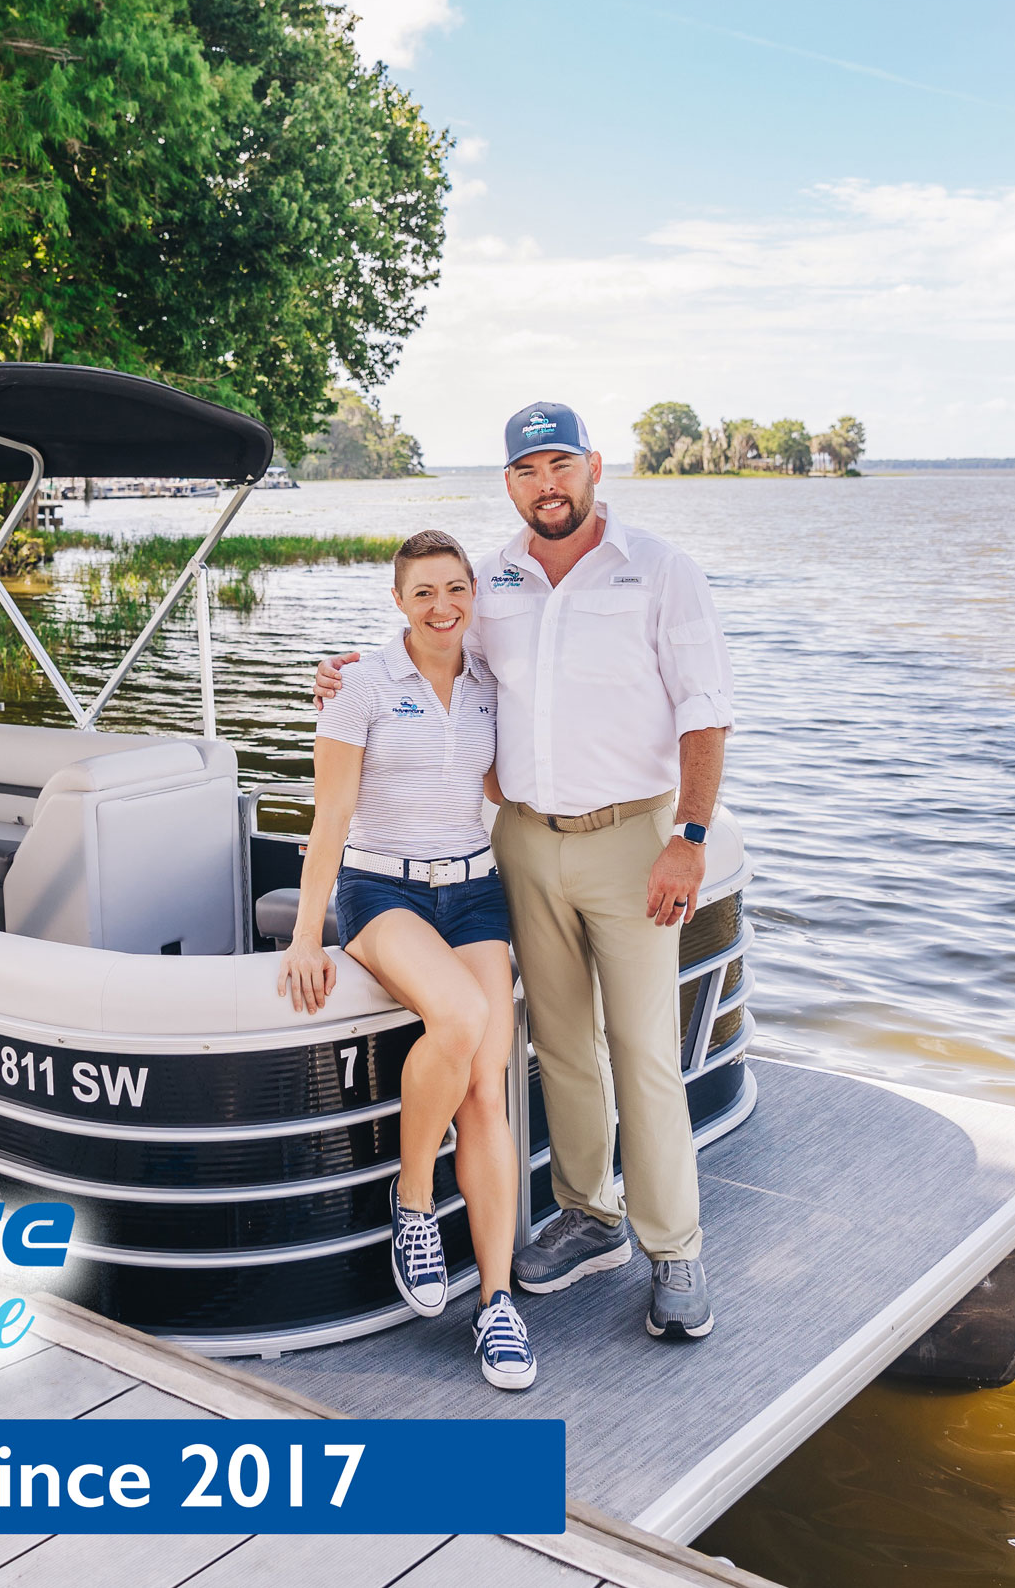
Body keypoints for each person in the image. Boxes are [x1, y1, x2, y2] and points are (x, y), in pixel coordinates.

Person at [317, 402, 734, 1341]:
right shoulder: (494, 577)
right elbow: (438, 654)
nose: (547, 485)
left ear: (593, 466)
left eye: (561, 465)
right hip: (521, 844)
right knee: (561, 1045)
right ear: (508, 482)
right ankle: (589, 1217)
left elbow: (707, 711)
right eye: (526, 471)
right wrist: (340, 679)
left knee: (645, 1053)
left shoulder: (660, 570)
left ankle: (676, 1248)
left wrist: (692, 835)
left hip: (634, 840)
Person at [278, 529, 535, 1390]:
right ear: (398, 601)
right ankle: (414, 1204)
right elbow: (330, 817)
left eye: (457, 588)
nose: (443, 606)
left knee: (485, 1083)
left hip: (472, 890)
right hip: (381, 892)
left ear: (474, 593)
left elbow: (507, 783)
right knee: (459, 1016)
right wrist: (306, 933)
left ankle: (497, 1305)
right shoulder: (358, 686)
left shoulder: (493, 682)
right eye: (424, 592)